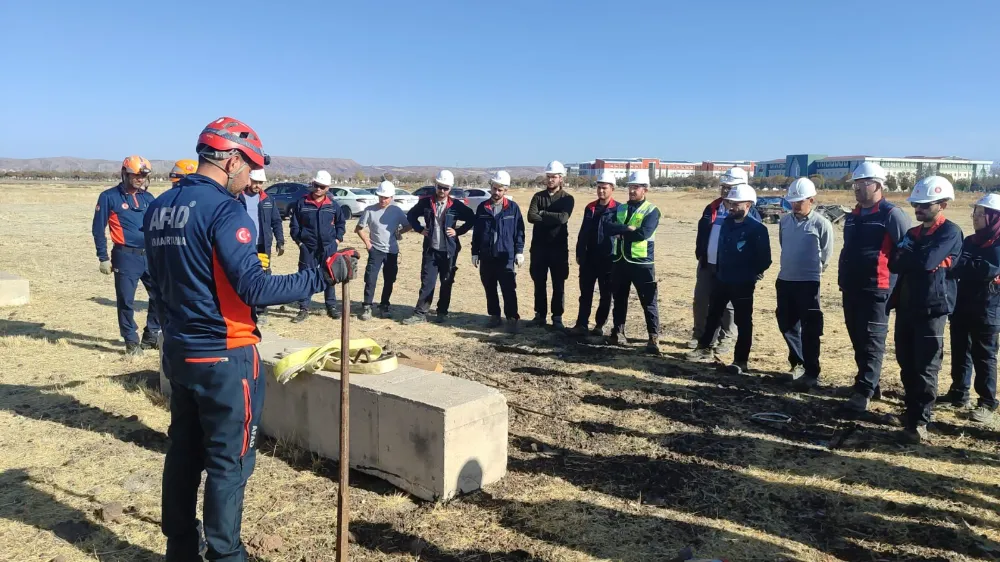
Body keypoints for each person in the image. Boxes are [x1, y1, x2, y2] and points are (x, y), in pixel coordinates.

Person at [145, 116, 358, 561]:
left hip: (180, 352)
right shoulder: (224, 211)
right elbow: (256, 288)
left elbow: (154, 282)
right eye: (250, 169)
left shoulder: (159, 207)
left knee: (183, 452)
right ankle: (226, 554)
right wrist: (323, 274)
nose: (249, 182)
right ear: (233, 160)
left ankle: (180, 549)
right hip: (226, 357)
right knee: (230, 463)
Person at [888, 176, 962, 443]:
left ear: (942, 205)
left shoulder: (950, 232)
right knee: (906, 362)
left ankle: (921, 421)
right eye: (916, 204)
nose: (918, 209)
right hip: (906, 306)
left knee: (926, 366)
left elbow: (926, 262)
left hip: (933, 309)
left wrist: (914, 257)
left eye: (924, 205)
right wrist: (917, 257)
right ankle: (910, 412)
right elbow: (894, 263)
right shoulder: (912, 233)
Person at [839, 162, 911, 413]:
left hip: (877, 288)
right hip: (851, 287)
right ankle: (868, 382)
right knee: (857, 337)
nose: (857, 189)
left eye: (862, 184)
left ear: (878, 185)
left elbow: (906, 250)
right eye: (855, 185)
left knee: (872, 340)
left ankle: (864, 391)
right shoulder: (853, 216)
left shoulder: (892, 215)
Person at [687, 183, 771, 374]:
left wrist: (749, 275)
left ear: (748, 205)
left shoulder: (757, 229)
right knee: (713, 314)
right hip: (721, 278)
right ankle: (704, 348)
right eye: (730, 203)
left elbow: (764, 260)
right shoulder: (726, 223)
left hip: (742, 283)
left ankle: (740, 360)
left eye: (736, 204)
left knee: (743, 321)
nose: (731, 207)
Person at [92, 155, 160, 355]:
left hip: (150, 256)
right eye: (136, 175)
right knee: (126, 300)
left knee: (160, 295)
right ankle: (131, 340)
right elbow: (98, 228)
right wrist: (103, 257)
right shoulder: (109, 197)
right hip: (125, 256)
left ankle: (151, 335)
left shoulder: (149, 198)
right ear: (125, 174)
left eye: (143, 176)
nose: (140, 179)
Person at [691, 167, 761, 351]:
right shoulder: (712, 207)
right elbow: (702, 232)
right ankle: (700, 335)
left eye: (729, 187)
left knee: (728, 305)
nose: (724, 190)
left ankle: (727, 336)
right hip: (708, 263)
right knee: (701, 300)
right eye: (723, 186)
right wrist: (701, 253)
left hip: (731, 267)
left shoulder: (749, 212)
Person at [944, 193, 1000, 423]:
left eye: (980, 214)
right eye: (974, 213)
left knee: (984, 356)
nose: (975, 217)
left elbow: (988, 270)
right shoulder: (969, 241)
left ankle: (987, 402)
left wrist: (965, 265)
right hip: (962, 305)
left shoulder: (998, 245)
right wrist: (967, 266)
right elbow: (956, 266)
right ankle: (959, 393)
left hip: (988, 309)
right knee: (960, 351)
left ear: (994, 217)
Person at [776, 177, 834, 390]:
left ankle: (811, 370)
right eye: (792, 201)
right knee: (787, 324)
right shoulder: (784, 222)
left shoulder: (821, 224)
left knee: (810, 328)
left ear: (811, 200)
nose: (795, 205)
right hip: (785, 280)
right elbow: (784, 245)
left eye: (799, 201)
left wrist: (814, 273)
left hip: (808, 283)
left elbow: (826, 254)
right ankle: (798, 362)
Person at [403, 170, 475, 324]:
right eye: (440, 187)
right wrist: (419, 229)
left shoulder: (456, 205)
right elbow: (411, 215)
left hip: (449, 251)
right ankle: (420, 313)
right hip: (431, 250)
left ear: (450, 189)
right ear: (435, 185)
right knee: (427, 282)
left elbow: (471, 218)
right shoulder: (426, 203)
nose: (442, 191)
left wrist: (458, 231)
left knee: (446, 282)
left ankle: (442, 312)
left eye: (445, 188)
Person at [606, 170, 661, 354]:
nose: (631, 191)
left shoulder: (652, 211)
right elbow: (608, 227)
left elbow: (643, 233)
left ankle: (653, 337)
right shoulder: (621, 208)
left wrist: (622, 233)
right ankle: (618, 331)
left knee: (648, 301)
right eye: (630, 187)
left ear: (645, 189)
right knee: (619, 299)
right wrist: (627, 228)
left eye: (636, 187)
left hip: (642, 263)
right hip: (620, 261)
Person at [288, 170, 346, 323]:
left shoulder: (332, 205)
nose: (318, 189)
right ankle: (303, 308)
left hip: (328, 247)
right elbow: (294, 226)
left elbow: (341, 223)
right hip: (308, 247)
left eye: (322, 186)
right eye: (316, 185)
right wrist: (300, 243)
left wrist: (337, 240)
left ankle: (331, 306)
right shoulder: (302, 203)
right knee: (305, 277)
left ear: (328, 188)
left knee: (330, 276)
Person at [471, 171, 525, 333]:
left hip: (505, 255)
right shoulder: (483, 208)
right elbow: (477, 232)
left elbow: (519, 231)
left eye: (500, 190)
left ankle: (512, 317)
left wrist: (519, 251)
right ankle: (494, 315)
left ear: (506, 190)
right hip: (487, 255)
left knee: (508, 288)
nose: (496, 192)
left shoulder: (513, 208)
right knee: (489, 287)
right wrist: (475, 252)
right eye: (494, 188)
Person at [569, 170, 618, 337]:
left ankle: (599, 325)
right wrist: (579, 252)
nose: (601, 191)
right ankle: (581, 324)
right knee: (585, 293)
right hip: (589, 258)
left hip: (608, 258)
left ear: (612, 188)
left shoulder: (618, 209)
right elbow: (583, 232)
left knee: (605, 294)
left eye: (604, 188)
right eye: (599, 187)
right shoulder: (590, 207)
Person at [527, 160, 575, 329]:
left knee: (558, 284)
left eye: (554, 177)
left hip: (558, 249)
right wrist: (551, 217)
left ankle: (557, 317)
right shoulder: (538, 196)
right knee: (539, 282)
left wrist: (542, 214)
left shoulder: (567, 199)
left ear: (561, 178)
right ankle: (540, 315)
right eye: (548, 176)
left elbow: (563, 218)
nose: (550, 180)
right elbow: (531, 216)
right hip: (539, 248)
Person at [355, 180, 410, 320]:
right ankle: (367, 306)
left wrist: (399, 233)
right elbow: (359, 229)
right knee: (371, 279)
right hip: (376, 250)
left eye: (386, 197)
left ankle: (384, 305)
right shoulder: (370, 210)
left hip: (392, 251)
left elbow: (408, 225)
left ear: (391, 197)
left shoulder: (396, 211)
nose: (383, 200)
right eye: (381, 197)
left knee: (389, 279)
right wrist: (368, 243)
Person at [243, 168, 284, 324]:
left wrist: (280, 240)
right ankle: (245, 309)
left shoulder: (267, 200)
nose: (258, 185)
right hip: (243, 244)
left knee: (263, 275)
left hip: (262, 245)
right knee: (244, 274)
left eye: (260, 182)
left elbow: (276, 221)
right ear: (249, 180)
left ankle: (261, 310)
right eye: (255, 182)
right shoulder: (238, 198)